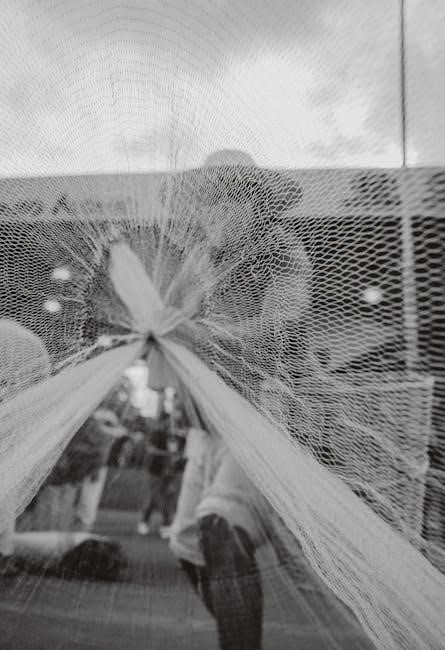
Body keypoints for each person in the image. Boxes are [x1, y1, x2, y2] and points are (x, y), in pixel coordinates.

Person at [169, 401, 266, 650]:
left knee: (220, 525)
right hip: (205, 436)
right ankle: (242, 640)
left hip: (249, 430)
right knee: (186, 542)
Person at [0, 319, 51, 577]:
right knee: (7, 497)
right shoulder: (26, 341)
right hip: (13, 439)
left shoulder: (19, 339)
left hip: (10, 438)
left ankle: (4, 554)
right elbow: (42, 387)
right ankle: (4, 554)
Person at [137, 416, 172, 535]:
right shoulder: (155, 434)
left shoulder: (170, 434)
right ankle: (165, 523)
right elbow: (150, 450)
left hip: (166, 471)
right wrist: (167, 454)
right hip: (154, 469)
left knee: (157, 497)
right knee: (157, 496)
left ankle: (147, 522)